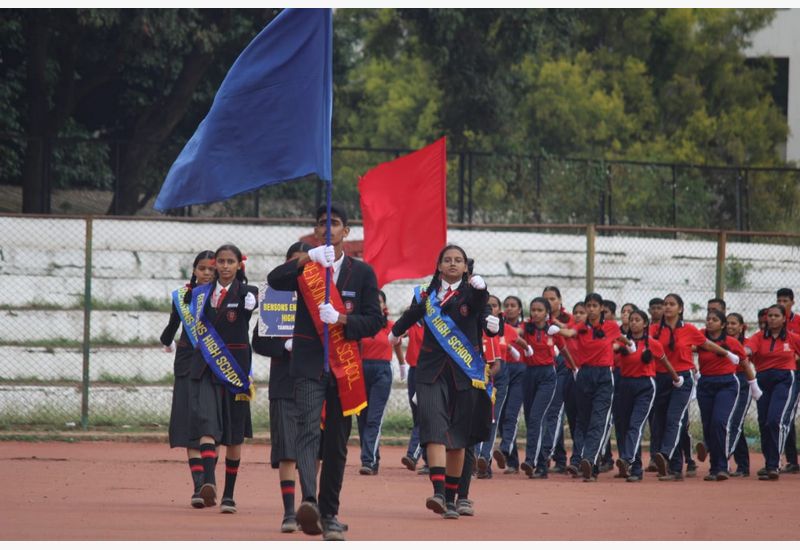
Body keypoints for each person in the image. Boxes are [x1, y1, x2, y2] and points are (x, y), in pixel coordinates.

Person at [267, 204, 383, 541]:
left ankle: (330, 513)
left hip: (345, 369)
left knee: (336, 444)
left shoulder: (362, 274)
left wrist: (344, 320)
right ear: (316, 232)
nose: (327, 229)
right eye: (321, 224)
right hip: (307, 364)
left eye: (333, 224)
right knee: (307, 431)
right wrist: (307, 259)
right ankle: (309, 501)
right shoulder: (307, 268)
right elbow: (275, 280)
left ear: (346, 231)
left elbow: (375, 320)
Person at [389, 244, 498, 519]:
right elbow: (411, 315)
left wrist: (485, 297)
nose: (452, 264)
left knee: (458, 439)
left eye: (458, 260)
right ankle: (438, 492)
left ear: (465, 267)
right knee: (434, 429)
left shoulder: (472, 293)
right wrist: (395, 332)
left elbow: (482, 312)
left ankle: (452, 499)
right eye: (447, 260)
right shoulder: (426, 294)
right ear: (438, 266)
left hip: (463, 375)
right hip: (429, 372)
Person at [189, 243, 259, 514]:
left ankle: (229, 495)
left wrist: (250, 304)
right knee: (207, 424)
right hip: (206, 369)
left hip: (235, 372)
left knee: (233, 436)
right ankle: (208, 482)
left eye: (231, 261)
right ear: (215, 264)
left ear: (239, 264)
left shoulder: (247, 293)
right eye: (221, 261)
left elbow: (250, 309)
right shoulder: (200, 294)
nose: (225, 266)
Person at [251, 242, 311, 532]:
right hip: (284, 382)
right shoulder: (273, 296)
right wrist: (284, 345)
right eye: (294, 262)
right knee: (288, 450)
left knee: (313, 451)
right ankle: (289, 512)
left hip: (316, 383)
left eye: (305, 260)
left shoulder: (324, 296)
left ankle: (311, 506)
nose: (300, 266)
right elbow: (258, 341)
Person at [649, 293, 738, 481]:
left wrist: (728, 354)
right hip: (661, 377)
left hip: (683, 377)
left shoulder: (689, 329)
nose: (667, 307)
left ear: (680, 309)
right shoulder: (655, 330)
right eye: (665, 304)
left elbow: (707, 344)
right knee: (662, 421)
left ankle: (665, 454)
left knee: (675, 418)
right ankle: (675, 468)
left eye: (672, 304)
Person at [160, 250, 215, 508]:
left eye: (210, 269)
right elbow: (172, 326)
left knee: (209, 424)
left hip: (214, 365)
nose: (206, 272)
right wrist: (165, 341)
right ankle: (198, 486)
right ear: (194, 270)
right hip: (186, 362)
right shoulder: (182, 297)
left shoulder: (222, 296)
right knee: (188, 423)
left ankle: (209, 481)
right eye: (201, 268)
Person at [613, 309, 681, 482]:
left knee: (636, 425)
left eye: (637, 320)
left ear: (645, 324)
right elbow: (611, 349)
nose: (634, 322)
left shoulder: (653, 344)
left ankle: (627, 459)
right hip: (625, 385)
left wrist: (677, 380)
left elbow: (665, 362)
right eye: (631, 320)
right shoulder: (623, 343)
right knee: (624, 426)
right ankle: (636, 469)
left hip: (645, 386)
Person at [694, 310, 760, 481]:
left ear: (722, 325)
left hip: (727, 385)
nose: (709, 322)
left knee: (720, 422)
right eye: (708, 319)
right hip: (705, 384)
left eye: (714, 320)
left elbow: (745, 365)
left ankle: (722, 467)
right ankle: (714, 467)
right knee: (708, 425)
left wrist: (754, 386)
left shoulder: (732, 342)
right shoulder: (701, 340)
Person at [562, 293, 621, 481]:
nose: (591, 309)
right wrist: (553, 328)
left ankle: (590, 462)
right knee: (582, 421)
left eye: (595, 305)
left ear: (601, 308)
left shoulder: (610, 326)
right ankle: (579, 460)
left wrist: (630, 345)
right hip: (584, 374)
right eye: (589, 305)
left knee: (598, 420)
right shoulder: (581, 327)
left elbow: (622, 340)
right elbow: (570, 333)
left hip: (603, 375)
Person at [745, 304, 800, 480]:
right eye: (770, 316)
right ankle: (770, 461)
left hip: (785, 379)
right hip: (763, 380)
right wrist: (744, 352)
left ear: (784, 319)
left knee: (775, 420)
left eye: (776, 316)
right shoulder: (759, 337)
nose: (772, 318)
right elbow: (748, 349)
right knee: (764, 422)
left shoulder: (792, 338)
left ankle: (774, 464)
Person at [520, 297, 573, 478]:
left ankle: (532, 460)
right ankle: (541, 464)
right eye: (533, 310)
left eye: (539, 310)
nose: (535, 313)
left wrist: (575, 368)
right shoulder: (526, 328)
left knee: (537, 417)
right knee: (530, 418)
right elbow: (513, 334)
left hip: (547, 377)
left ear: (547, 313)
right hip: (529, 374)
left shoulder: (553, 331)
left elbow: (565, 349)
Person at [356, 290, 405, 476]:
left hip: (382, 372)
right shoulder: (360, 326)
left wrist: (402, 365)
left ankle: (367, 460)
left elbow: (398, 344)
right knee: (362, 418)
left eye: (379, 301)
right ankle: (372, 457)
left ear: (384, 306)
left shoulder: (391, 326)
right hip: (360, 371)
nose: (376, 304)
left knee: (373, 418)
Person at [541, 287, 577, 474]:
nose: (549, 302)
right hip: (545, 367)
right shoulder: (538, 320)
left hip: (566, 366)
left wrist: (555, 324)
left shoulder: (568, 318)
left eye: (552, 298)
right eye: (545, 298)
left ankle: (546, 454)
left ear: (560, 300)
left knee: (556, 410)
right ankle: (560, 459)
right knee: (548, 411)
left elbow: (573, 332)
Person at [492, 295, 530, 474]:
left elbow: (523, 335)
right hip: (502, 370)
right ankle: (512, 461)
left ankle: (505, 448)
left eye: (513, 305)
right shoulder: (496, 327)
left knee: (511, 413)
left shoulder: (524, 327)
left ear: (520, 310)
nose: (509, 308)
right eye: (506, 305)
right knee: (500, 414)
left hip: (520, 373)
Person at [726, 313, 753, 476]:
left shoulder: (748, 344)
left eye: (734, 323)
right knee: (732, 423)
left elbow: (752, 356)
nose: (730, 326)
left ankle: (723, 457)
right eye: (727, 323)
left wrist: (755, 385)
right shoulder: (721, 342)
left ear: (742, 326)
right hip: (727, 382)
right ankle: (743, 465)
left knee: (736, 421)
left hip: (743, 382)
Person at [776, 288, 800, 473]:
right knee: (787, 415)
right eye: (780, 300)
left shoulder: (798, 322)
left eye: (785, 301)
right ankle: (792, 460)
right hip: (787, 375)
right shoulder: (775, 322)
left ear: (792, 302)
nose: (782, 304)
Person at [400, 319, 427, 474]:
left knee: (424, 415)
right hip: (413, 371)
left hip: (428, 372)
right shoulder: (412, 323)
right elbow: (397, 335)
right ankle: (429, 460)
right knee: (417, 415)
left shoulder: (437, 323)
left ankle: (413, 454)